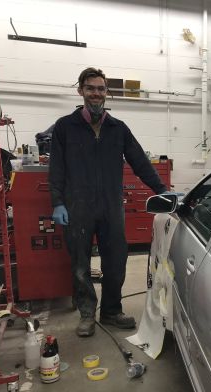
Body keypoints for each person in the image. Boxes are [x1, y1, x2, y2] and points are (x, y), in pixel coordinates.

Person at [49, 67, 168, 337]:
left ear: (106, 93)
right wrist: (57, 202)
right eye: (90, 88)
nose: (96, 93)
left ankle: (112, 310)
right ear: (81, 91)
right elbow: (56, 169)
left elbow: (140, 162)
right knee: (80, 264)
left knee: (116, 260)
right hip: (77, 206)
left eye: (101, 89)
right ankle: (87, 314)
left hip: (111, 206)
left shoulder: (118, 128)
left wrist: (162, 189)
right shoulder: (65, 127)